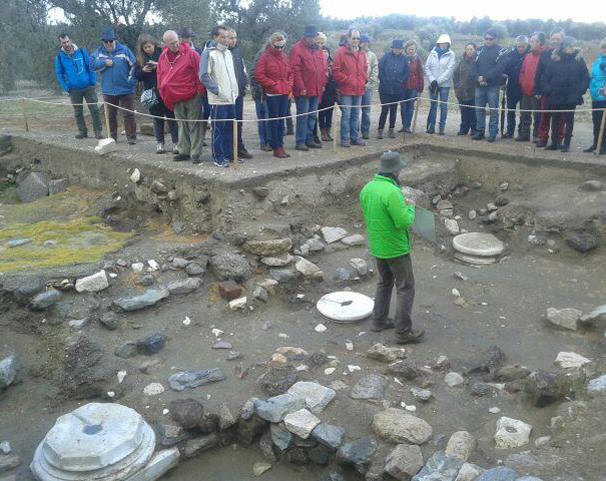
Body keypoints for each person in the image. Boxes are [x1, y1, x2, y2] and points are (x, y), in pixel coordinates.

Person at [359, 151, 424, 344]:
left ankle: (378, 321)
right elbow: (404, 222)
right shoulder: (393, 192)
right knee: (405, 287)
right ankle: (403, 331)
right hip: (396, 248)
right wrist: (410, 206)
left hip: (377, 245)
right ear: (395, 171)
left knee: (384, 282)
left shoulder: (368, 188)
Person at [157, 30, 205, 163]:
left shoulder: (192, 54)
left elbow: (199, 72)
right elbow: (160, 74)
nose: (175, 45)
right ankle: (184, 150)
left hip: (192, 95)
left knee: (194, 124)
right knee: (181, 124)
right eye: (171, 43)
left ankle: (195, 153)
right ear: (165, 44)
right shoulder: (163, 57)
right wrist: (162, 90)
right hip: (175, 97)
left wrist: (200, 91)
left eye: (176, 42)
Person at [539, 36, 589, 152]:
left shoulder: (579, 60)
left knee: (569, 120)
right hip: (555, 95)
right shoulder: (555, 59)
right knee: (555, 119)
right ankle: (554, 143)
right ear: (563, 47)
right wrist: (548, 90)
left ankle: (566, 144)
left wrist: (580, 90)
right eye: (569, 46)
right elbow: (544, 78)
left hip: (571, 96)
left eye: (572, 46)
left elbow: (585, 77)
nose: (571, 48)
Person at [200, 25, 240, 168]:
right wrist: (218, 91)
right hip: (218, 100)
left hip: (231, 98)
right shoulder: (209, 53)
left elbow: (231, 74)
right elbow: (204, 76)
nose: (226, 40)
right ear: (215, 37)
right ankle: (218, 157)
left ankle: (230, 155)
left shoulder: (228, 53)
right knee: (218, 130)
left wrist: (234, 91)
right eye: (222, 37)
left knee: (230, 127)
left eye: (227, 37)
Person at [132, 34, 178, 154]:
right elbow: (135, 75)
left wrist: (159, 66)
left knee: (171, 117)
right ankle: (160, 143)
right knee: (157, 119)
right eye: (145, 48)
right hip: (151, 93)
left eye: (150, 46)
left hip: (166, 91)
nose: (148, 49)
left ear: (154, 44)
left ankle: (176, 143)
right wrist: (142, 70)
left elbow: (173, 68)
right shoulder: (140, 59)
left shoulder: (164, 53)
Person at [91, 27, 137, 144]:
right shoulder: (99, 52)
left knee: (128, 114)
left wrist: (131, 81)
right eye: (106, 41)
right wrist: (104, 63)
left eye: (111, 41)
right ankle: (112, 138)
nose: (108, 43)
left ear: (115, 40)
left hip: (126, 89)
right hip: (108, 91)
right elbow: (90, 65)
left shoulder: (124, 50)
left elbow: (134, 66)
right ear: (102, 42)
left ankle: (131, 137)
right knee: (110, 116)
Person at [54, 33, 103, 140]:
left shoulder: (81, 51)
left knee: (94, 110)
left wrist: (92, 82)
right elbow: (59, 74)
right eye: (63, 43)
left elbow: (90, 66)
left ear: (70, 40)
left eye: (67, 41)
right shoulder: (59, 57)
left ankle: (98, 131)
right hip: (74, 90)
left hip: (88, 86)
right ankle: (82, 132)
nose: (66, 44)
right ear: (60, 44)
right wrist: (67, 87)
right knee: (78, 112)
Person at [254, 31, 293, 158]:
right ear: (272, 44)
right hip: (272, 94)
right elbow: (259, 75)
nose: (280, 49)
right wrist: (272, 84)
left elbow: (291, 73)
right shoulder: (264, 57)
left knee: (282, 121)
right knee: (274, 121)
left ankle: (280, 145)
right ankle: (276, 147)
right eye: (277, 46)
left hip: (284, 92)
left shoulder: (285, 56)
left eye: (282, 46)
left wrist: (289, 85)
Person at [289, 25, 327, 151]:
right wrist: (301, 87)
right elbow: (295, 69)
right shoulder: (297, 49)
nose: (312, 39)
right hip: (304, 89)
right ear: (305, 36)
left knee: (312, 116)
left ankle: (309, 138)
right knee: (303, 115)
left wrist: (322, 85)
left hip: (316, 87)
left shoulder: (318, 50)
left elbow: (323, 69)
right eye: (309, 36)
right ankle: (300, 141)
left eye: (313, 36)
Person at [332, 29, 368, 147]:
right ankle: (345, 138)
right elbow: (335, 71)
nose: (356, 40)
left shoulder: (362, 53)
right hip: (346, 90)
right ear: (348, 38)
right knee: (346, 114)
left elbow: (364, 68)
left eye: (358, 38)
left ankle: (354, 137)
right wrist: (348, 80)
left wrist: (364, 80)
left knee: (356, 114)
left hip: (359, 89)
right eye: (353, 38)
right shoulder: (340, 52)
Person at [472, 29, 508, 142]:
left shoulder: (501, 51)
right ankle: (480, 131)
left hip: (493, 86)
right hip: (479, 85)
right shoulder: (478, 50)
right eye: (486, 38)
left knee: (493, 110)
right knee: (479, 110)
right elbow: (473, 66)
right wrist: (478, 78)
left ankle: (492, 133)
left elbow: (499, 68)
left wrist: (485, 77)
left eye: (490, 39)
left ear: (495, 39)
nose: (488, 40)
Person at [535, 30, 566, 147]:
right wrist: (538, 89)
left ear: (562, 40)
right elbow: (539, 73)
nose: (555, 41)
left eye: (557, 39)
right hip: (546, 91)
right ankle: (543, 138)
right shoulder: (544, 54)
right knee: (544, 117)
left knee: (561, 118)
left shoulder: (566, 55)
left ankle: (558, 140)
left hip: (561, 92)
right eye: (553, 38)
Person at [227, 27, 253, 159]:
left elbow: (242, 69)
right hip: (227, 95)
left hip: (239, 93)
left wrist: (246, 84)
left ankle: (239, 147)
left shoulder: (237, 51)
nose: (233, 40)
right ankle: (229, 150)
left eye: (234, 37)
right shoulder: (221, 52)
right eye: (231, 37)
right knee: (228, 123)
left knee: (239, 122)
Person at [517, 32, 546, 142]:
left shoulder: (544, 56)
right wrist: (522, 82)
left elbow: (545, 74)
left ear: (539, 43)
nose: (531, 43)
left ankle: (536, 135)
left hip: (537, 92)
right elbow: (522, 71)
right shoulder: (528, 56)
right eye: (531, 40)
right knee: (525, 114)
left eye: (533, 41)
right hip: (525, 90)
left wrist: (539, 88)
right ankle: (525, 134)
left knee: (537, 115)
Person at [424, 33, 456, 135]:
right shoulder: (432, 53)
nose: (443, 44)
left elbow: (449, 70)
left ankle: (441, 127)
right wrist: (432, 80)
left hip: (444, 85)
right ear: (438, 43)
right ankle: (431, 126)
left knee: (443, 106)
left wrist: (438, 82)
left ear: (448, 44)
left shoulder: (452, 54)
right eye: (441, 43)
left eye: (445, 43)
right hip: (433, 84)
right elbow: (427, 67)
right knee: (433, 105)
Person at [377, 39, 408, 139]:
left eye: (399, 49)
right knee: (384, 109)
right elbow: (380, 70)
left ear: (401, 49)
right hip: (385, 89)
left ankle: (391, 129)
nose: (397, 50)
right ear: (392, 48)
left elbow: (406, 73)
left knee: (394, 110)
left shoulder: (404, 59)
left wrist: (400, 81)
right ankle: (380, 130)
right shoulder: (385, 57)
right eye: (396, 48)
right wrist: (384, 81)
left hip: (397, 89)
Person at [502, 35, 529, 138]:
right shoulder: (510, 55)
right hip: (511, 88)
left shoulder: (530, 55)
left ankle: (522, 132)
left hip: (524, 89)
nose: (521, 48)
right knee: (511, 111)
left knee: (524, 112)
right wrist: (503, 83)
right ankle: (510, 131)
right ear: (516, 45)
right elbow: (504, 71)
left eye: (523, 46)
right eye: (519, 46)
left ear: (527, 45)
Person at [585, 37, 606, 154]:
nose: (604, 49)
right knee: (596, 121)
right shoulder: (598, 61)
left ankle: (602, 146)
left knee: (604, 122)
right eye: (603, 47)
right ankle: (595, 143)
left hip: (604, 97)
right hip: (596, 96)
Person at [453, 42, 478, 136]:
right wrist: (457, 86)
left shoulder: (478, 61)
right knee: (464, 112)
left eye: (471, 49)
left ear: (475, 50)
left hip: (474, 92)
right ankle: (464, 129)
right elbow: (455, 74)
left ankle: (474, 129)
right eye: (467, 49)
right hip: (462, 92)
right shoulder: (462, 62)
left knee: (473, 112)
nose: (469, 51)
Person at [250, 47, 272, 151]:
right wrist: (261, 93)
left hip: (273, 92)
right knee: (263, 118)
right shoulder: (261, 55)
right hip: (261, 93)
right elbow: (254, 75)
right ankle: (264, 142)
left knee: (271, 118)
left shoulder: (278, 55)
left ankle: (271, 141)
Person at [316, 32, 337, 142]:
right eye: (318, 42)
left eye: (322, 42)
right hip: (321, 88)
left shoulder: (328, 54)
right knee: (321, 111)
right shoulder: (315, 54)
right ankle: (323, 132)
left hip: (331, 88)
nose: (320, 44)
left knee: (329, 111)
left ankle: (328, 132)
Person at [400, 40, 424, 133]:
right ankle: (404, 125)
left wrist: (420, 89)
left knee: (410, 106)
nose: (411, 51)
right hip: (403, 86)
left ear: (415, 50)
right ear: (406, 50)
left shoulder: (418, 60)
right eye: (409, 49)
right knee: (403, 106)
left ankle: (407, 126)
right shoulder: (402, 59)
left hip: (414, 87)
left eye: (413, 49)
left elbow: (420, 74)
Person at [360, 34, 379, 140]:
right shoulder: (356, 53)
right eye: (363, 41)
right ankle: (355, 131)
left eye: (367, 41)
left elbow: (375, 70)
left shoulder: (372, 55)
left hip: (367, 86)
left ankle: (365, 131)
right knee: (355, 111)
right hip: (356, 86)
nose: (365, 43)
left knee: (366, 110)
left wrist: (369, 83)